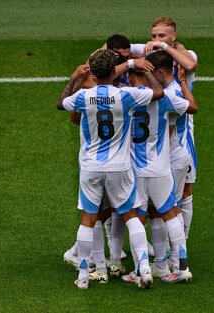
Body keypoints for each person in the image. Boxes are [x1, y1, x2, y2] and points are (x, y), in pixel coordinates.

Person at [57, 49, 164, 289]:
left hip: (91, 167)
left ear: (92, 74)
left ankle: (84, 276)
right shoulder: (126, 95)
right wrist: (147, 71)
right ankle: (145, 269)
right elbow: (158, 92)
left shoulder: (83, 97)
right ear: (114, 73)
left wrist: (74, 78)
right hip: (120, 167)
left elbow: (60, 104)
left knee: (88, 218)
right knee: (130, 215)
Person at [119, 60, 197, 284]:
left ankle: (141, 270)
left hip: (135, 171)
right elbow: (192, 108)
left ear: (132, 76)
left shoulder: (126, 96)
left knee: (136, 217)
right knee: (170, 213)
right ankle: (182, 267)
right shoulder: (164, 98)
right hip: (161, 169)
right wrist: (181, 82)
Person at [131, 16, 198, 241]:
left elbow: (190, 65)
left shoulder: (185, 54)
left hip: (182, 135)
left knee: (181, 194)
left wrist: (163, 47)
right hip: (159, 135)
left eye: (162, 35)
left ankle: (179, 245)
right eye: (153, 36)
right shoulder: (150, 53)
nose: (156, 39)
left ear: (173, 36)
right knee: (159, 201)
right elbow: (110, 49)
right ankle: (166, 252)